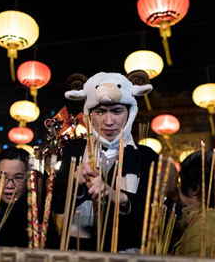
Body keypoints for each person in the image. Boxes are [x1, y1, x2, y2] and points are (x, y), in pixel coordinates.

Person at [51, 71, 158, 252]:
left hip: (127, 251)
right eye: (100, 111)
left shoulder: (146, 156)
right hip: (78, 250)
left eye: (117, 111)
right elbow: (55, 204)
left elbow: (155, 213)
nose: (108, 121)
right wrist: (75, 182)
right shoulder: (75, 150)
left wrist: (121, 197)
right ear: (90, 115)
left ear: (130, 113)